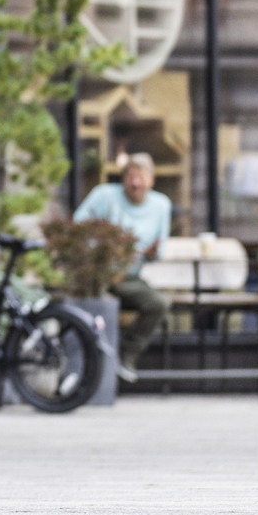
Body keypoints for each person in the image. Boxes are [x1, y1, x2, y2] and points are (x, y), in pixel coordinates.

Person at [73, 152, 172, 383]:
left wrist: (152, 253)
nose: (135, 182)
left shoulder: (161, 205)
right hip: (98, 276)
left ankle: (126, 355)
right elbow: (78, 226)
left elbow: (159, 251)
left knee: (159, 303)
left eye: (141, 177)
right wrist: (103, 248)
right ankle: (92, 364)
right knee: (97, 307)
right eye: (130, 176)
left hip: (129, 278)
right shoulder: (104, 196)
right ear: (123, 178)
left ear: (152, 180)